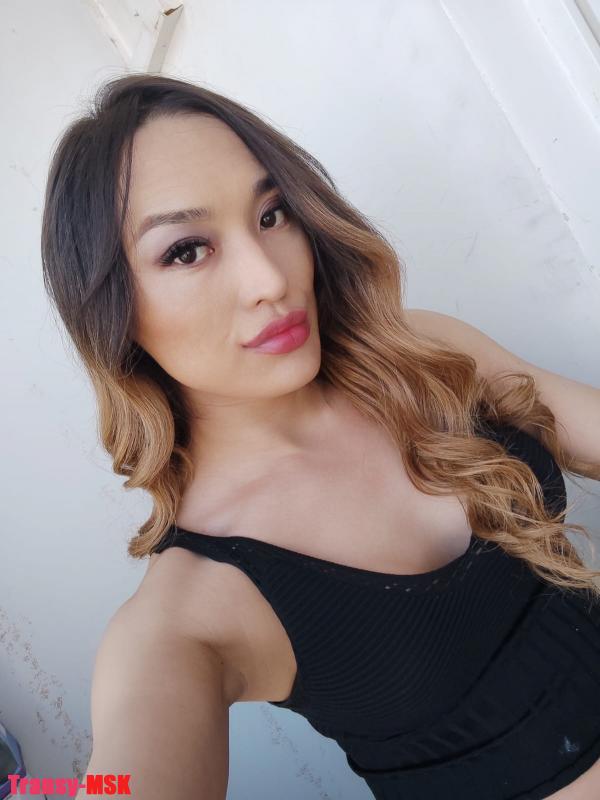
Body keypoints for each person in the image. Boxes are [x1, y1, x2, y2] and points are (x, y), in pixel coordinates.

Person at [40, 74, 600, 800]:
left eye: (272, 214)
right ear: (113, 308)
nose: (269, 279)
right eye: (186, 251)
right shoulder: (187, 615)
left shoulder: (419, 355)